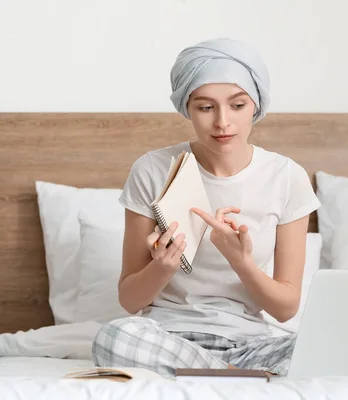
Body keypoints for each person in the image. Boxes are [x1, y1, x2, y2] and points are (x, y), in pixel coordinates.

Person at [91, 38, 321, 377]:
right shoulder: (153, 169)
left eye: (238, 105)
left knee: (332, 348)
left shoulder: (287, 178)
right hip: (167, 338)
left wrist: (242, 263)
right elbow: (130, 300)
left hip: (251, 347)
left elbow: (285, 309)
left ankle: (218, 373)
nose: (223, 122)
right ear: (187, 108)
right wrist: (164, 266)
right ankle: (236, 379)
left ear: (256, 106)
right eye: (205, 107)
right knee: (113, 338)